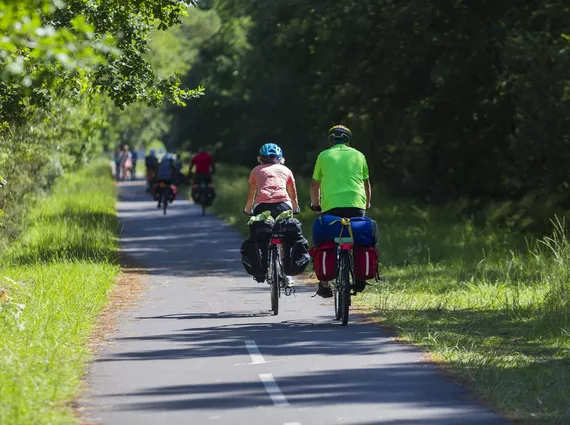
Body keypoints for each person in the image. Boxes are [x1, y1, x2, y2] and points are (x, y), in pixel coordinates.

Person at [310, 125, 372, 298]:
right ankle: (360, 278)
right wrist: (366, 204)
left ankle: (324, 284)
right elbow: (366, 184)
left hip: (331, 207)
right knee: (362, 236)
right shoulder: (359, 155)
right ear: (348, 140)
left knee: (323, 239)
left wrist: (315, 204)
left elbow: (315, 185)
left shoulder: (323, 155)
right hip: (357, 205)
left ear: (331, 140)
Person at [244, 143, 300, 287]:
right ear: (280, 158)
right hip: (283, 205)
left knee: (260, 236)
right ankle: (287, 275)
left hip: (262, 206)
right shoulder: (286, 170)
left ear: (260, 159)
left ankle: (261, 270)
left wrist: (248, 210)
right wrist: (295, 207)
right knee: (286, 236)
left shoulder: (256, 171)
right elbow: (293, 194)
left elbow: (251, 196)